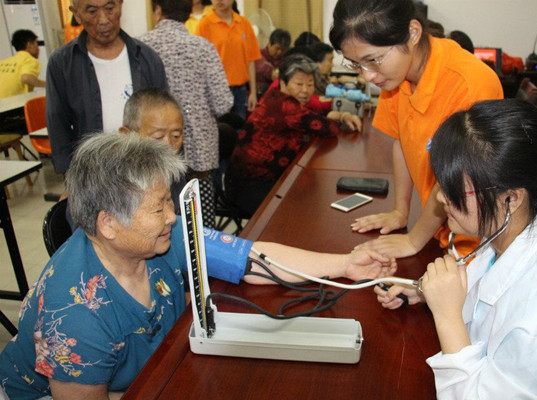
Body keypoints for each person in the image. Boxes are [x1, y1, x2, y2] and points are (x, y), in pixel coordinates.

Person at [0, 132, 395, 399]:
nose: (173, 216)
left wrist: (346, 264)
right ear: (108, 223)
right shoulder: (75, 313)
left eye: (168, 201)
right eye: (159, 208)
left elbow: (252, 257)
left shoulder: (161, 236)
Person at [375, 99, 537, 397]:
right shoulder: (511, 233)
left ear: (511, 198)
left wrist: (447, 315)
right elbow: (485, 294)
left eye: (454, 189)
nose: (441, 198)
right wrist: (428, 292)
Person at [329, 0, 503, 260]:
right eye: (356, 64)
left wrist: (413, 239)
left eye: (373, 60)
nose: (367, 76)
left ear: (412, 33)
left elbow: (456, 178)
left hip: (476, 243)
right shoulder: (397, 77)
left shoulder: (469, 84)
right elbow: (401, 142)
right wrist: (400, 211)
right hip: (439, 227)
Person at [225, 54, 362, 216]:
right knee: (304, 209)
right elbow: (328, 128)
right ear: (283, 83)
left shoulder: (275, 94)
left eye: (310, 84)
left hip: (252, 180)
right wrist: (342, 117)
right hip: (250, 187)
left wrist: (341, 115)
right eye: (299, 84)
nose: (305, 90)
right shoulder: (285, 106)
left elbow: (312, 115)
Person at [46, 0, 168, 175]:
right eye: (92, 11)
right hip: (92, 172)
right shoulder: (62, 63)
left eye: (110, 9)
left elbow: (164, 118)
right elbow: (58, 124)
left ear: (120, 5)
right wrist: (70, 175)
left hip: (143, 170)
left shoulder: (146, 57)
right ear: (77, 14)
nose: (103, 20)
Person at [140, 0, 233, 228]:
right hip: (199, 156)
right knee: (202, 229)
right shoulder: (203, 47)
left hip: (155, 154)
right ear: (189, 12)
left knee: (158, 223)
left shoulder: (141, 47)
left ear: (158, 9)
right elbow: (223, 103)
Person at [120, 87, 187, 215]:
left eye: (176, 136)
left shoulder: (176, 175)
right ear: (126, 135)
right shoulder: (112, 185)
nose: (168, 145)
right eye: (158, 137)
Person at [195, 0, 261, 120]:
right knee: (220, 128)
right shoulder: (204, 24)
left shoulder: (244, 23)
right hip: (216, 90)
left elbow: (251, 60)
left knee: (239, 127)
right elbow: (198, 63)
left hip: (240, 89)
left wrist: (253, 92)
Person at [0, 29, 45, 99]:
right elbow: (26, 78)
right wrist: (48, 85)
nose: (38, 49)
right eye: (36, 44)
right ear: (29, 45)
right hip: (14, 103)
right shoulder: (29, 60)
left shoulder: (3, 62)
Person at [255, 28, 291, 98]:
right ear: (269, 44)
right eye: (277, 48)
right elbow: (269, 72)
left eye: (283, 50)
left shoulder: (285, 59)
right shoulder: (258, 55)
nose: (279, 52)